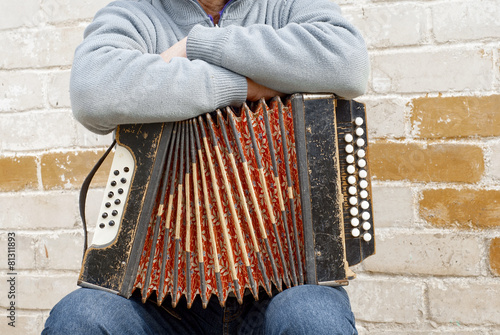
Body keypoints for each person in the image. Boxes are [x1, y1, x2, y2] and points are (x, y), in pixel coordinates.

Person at [43, 0, 369, 333]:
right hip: (160, 299)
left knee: (312, 319)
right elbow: (93, 90)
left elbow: (348, 63)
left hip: (285, 285)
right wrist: (247, 86)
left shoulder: (287, 4)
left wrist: (194, 46)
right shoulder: (135, 12)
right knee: (80, 317)